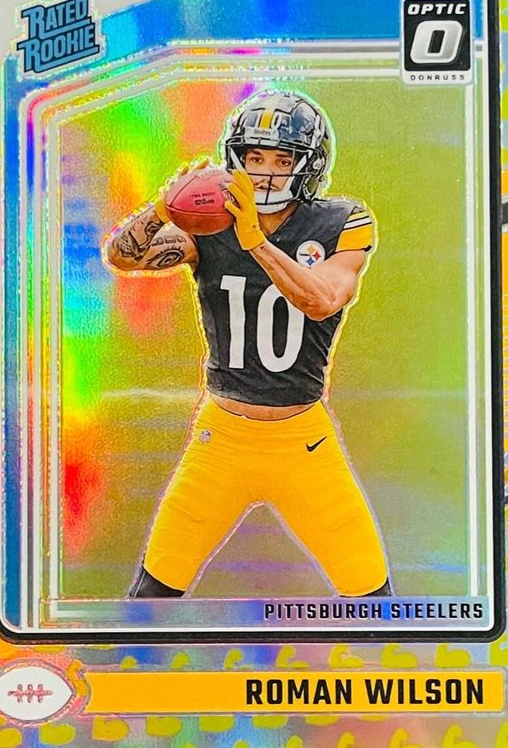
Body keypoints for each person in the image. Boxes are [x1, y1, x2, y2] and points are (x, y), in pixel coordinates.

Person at [104, 90, 391, 599]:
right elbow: (123, 257)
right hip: (221, 441)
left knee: (372, 597)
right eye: (255, 157)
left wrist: (255, 240)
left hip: (304, 443)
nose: (265, 174)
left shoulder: (340, 221)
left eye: (282, 160)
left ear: (308, 165)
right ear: (235, 158)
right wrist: (161, 208)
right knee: (150, 599)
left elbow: (322, 300)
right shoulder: (210, 225)